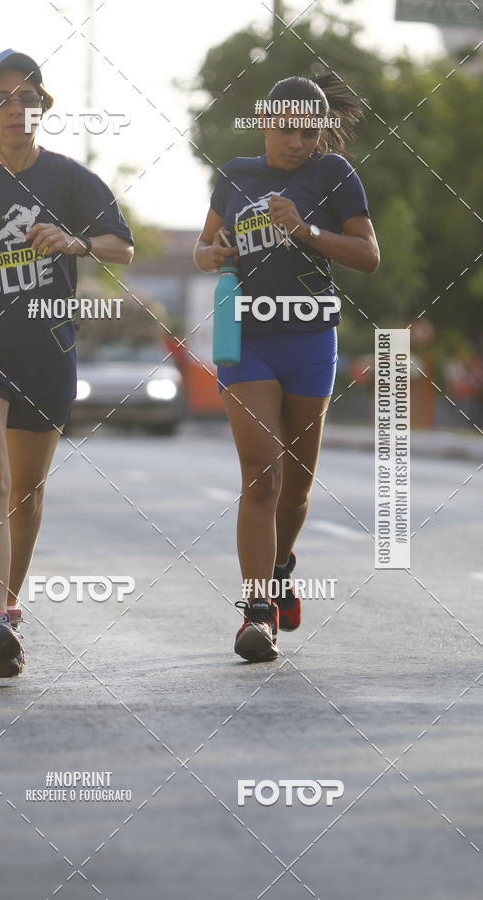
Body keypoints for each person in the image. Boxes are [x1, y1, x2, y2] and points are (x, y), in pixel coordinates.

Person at [0, 49, 134, 677]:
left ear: (44, 107)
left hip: (47, 346)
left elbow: (121, 246)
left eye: (29, 97)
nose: (17, 108)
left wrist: (74, 241)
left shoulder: (69, 178)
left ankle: (9, 610)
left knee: (28, 492)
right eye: (3, 99)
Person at [194, 74, 379, 662]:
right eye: (287, 129)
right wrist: (212, 254)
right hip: (246, 339)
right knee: (261, 474)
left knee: (295, 488)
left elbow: (369, 256)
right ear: (265, 123)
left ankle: (279, 568)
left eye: (309, 132)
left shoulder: (334, 175)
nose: (298, 142)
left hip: (310, 339)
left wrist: (306, 229)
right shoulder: (235, 174)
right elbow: (203, 247)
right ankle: (257, 612)